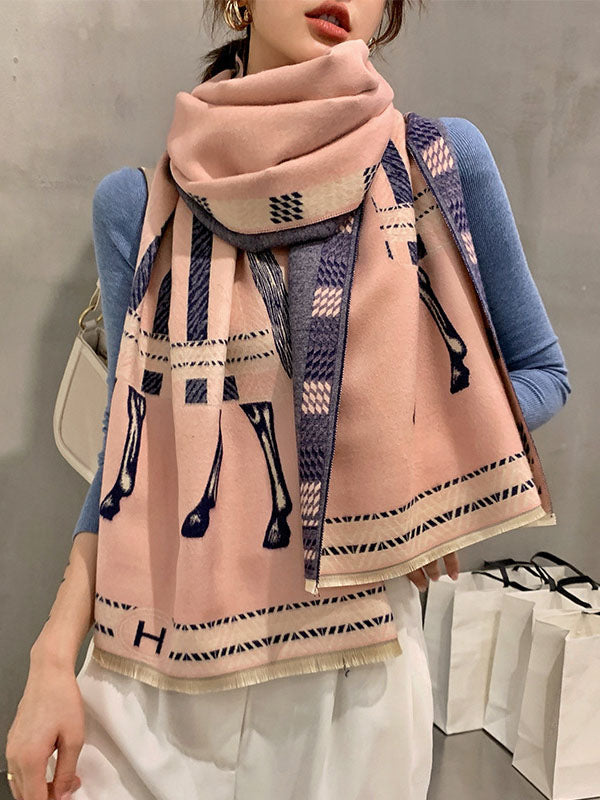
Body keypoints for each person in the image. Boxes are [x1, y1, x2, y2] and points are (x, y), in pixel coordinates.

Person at [5, 2, 571, 799]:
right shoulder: (137, 206)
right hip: (153, 673)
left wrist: (416, 487)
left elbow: (540, 374)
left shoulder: (433, 166)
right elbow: (124, 458)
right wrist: (49, 661)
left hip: (353, 682)